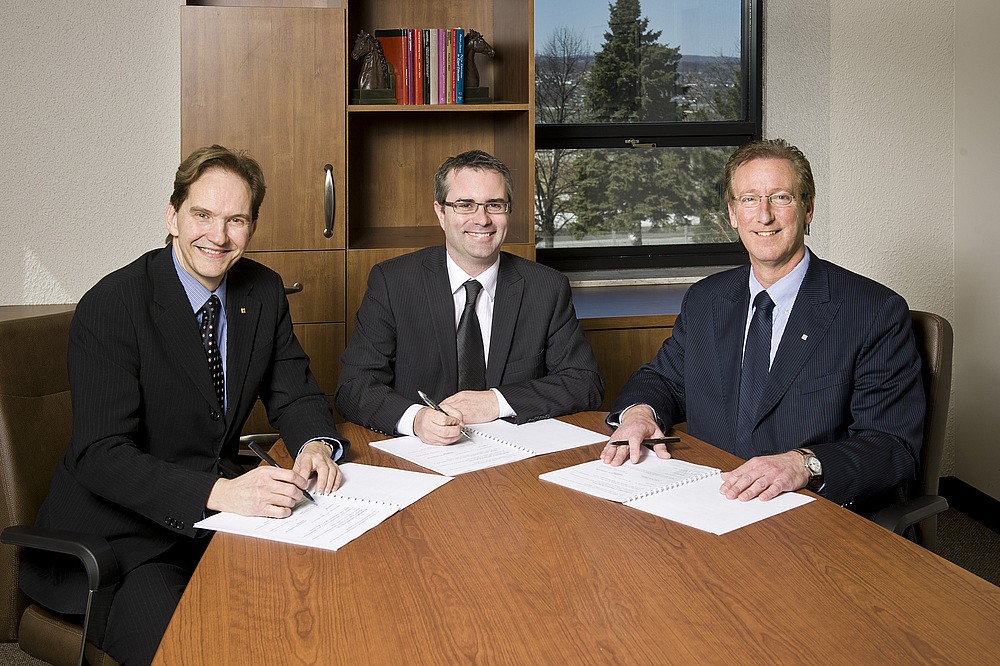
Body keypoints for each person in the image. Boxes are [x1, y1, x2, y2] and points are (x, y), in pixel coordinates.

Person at [20, 145, 350, 665]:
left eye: (235, 220)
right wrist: (220, 492)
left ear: (252, 226)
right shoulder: (114, 304)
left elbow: (294, 389)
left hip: (220, 522)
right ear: (172, 215)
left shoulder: (261, 291)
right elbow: (101, 453)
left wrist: (314, 444)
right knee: (187, 649)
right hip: (125, 538)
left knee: (312, 615)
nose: (217, 237)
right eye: (202, 215)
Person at [601, 139, 924, 508]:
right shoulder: (706, 299)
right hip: (711, 497)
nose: (764, 215)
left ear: (808, 210)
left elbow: (892, 446)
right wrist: (640, 414)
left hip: (813, 511)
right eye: (750, 199)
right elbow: (663, 380)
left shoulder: (873, 311)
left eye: (781, 198)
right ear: (733, 214)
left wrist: (804, 464)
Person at [336, 149, 603, 444]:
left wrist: (495, 401)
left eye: (494, 205)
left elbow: (585, 383)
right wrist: (417, 419)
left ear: (508, 211)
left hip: (513, 456)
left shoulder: (547, 287)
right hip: (422, 453)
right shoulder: (393, 282)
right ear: (441, 212)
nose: (482, 219)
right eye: (465, 205)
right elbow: (354, 387)